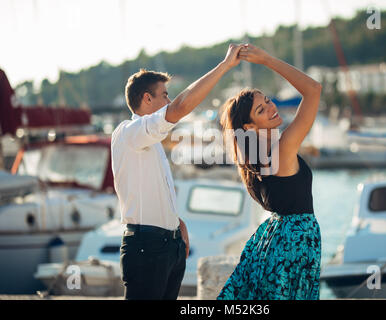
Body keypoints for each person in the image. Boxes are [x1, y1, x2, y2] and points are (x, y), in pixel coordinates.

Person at [112, 44, 245, 300]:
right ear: (147, 99)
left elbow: (151, 190)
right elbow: (181, 107)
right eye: (164, 95)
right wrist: (225, 65)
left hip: (167, 245)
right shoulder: (130, 132)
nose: (169, 100)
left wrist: (175, 222)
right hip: (146, 248)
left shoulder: (149, 139)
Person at [217, 44, 323, 300]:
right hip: (294, 245)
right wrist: (267, 60)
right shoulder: (282, 149)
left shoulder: (254, 162)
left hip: (276, 241)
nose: (271, 107)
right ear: (250, 126)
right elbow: (313, 90)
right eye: (261, 110)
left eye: (267, 101)